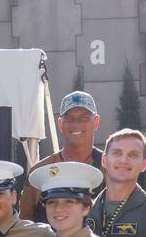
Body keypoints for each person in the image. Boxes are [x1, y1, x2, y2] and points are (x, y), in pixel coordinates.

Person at [20, 91, 105, 222]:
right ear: (60, 124)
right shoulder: (41, 171)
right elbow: (25, 223)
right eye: (69, 119)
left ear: (96, 122)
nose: (76, 125)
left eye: (83, 118)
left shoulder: (109, 168)